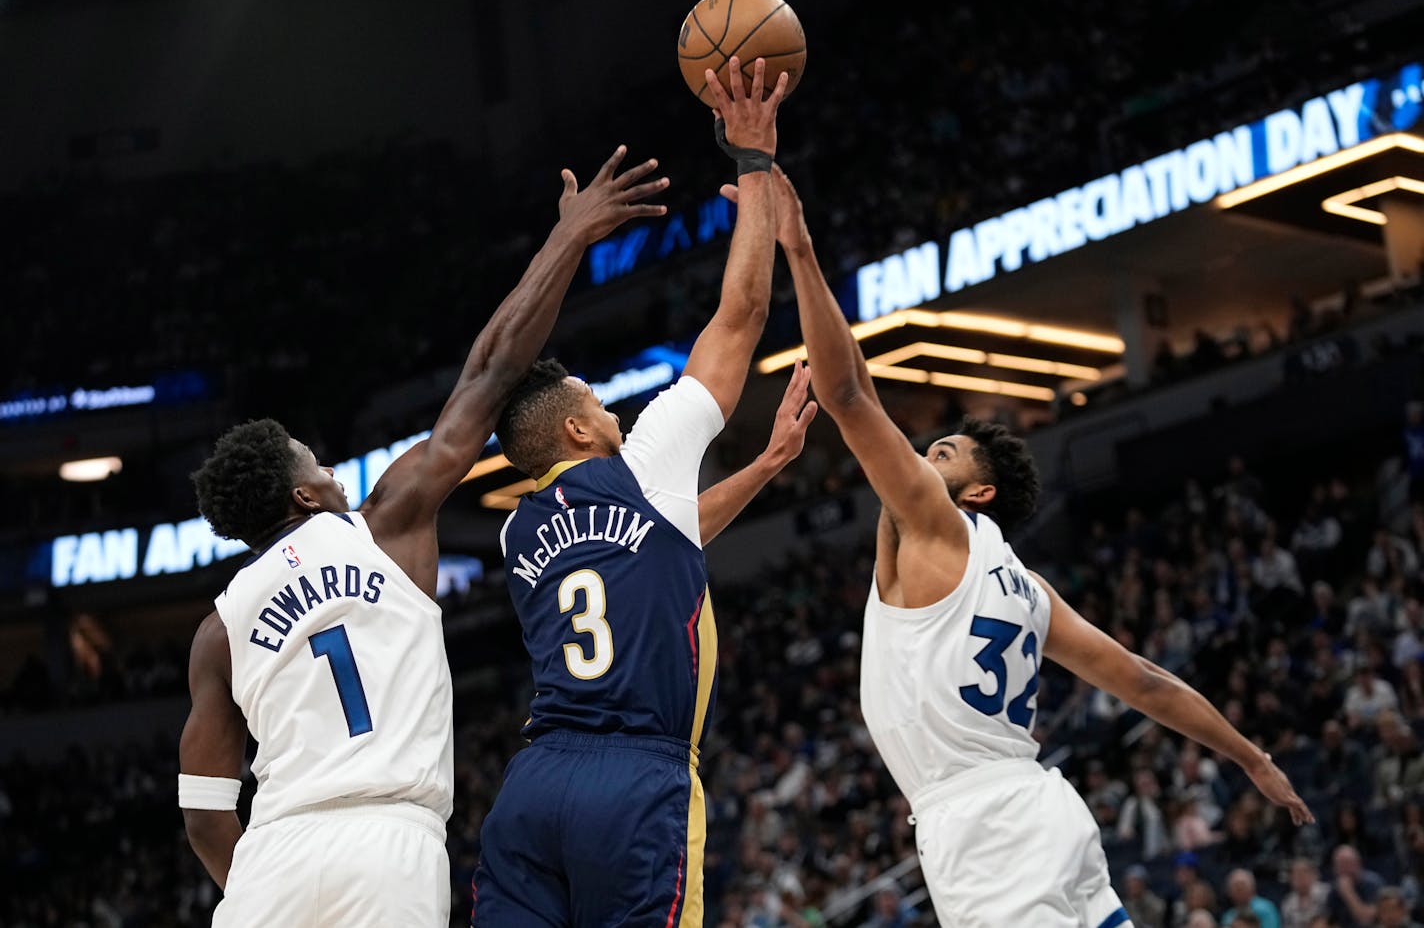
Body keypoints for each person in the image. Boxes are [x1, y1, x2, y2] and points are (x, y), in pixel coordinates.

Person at [763, 163, 1314, 926]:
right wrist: (1251, 756)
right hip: (1045, 808)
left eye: (946, 452)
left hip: (984, 833)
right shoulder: (1028, 588)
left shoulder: (933, 521)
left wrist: (799, 249)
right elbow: (1148, 681)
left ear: (978, 491)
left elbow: (850, 394)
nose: (925, 453)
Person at [175, 141, 672, 925]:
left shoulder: (218, 630)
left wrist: (270, 891)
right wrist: (567, 238)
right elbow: (491, 370)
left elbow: (204, 815)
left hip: (271, 856)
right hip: (387, 840)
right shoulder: (386, 522)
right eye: (320, 463)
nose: (335, 468)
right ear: (305, 493)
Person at [470, 56, 795, 927]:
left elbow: (665, 543)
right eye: (590, 394)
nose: (605, 400)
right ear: (579, 430)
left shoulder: (516, 530)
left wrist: (761, 471)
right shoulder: (645, 461)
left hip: (534, 786)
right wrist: (755, 164)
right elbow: (742, 317)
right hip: (635, 777)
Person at [1281, 857, 1331, 928]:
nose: (1300, 877)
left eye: (1304, 872)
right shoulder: (1288, 903)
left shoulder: (1327, 893)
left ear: (1314, 875)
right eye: (1296, 874)